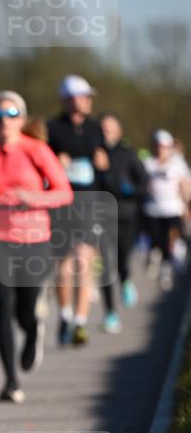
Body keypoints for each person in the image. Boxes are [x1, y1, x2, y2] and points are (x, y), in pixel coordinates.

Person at [0, 92, 73, 402]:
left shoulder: (36, 150)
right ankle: (11, 381)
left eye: (11, 115)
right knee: (2, 308)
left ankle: (33, 331)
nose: (4, 121)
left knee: (24, 310)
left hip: (35, 240)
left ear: (21, 118)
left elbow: (64, 192)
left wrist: (33, 197)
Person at [47, 75, 106, 347]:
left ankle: (81, 323)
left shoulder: (95, 129)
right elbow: (43, 165)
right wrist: (55, 163)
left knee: (85, 259)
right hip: (62, 201)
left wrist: (104, 164)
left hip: (89, 202)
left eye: (88, 97)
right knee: (65, 262)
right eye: (83, 96)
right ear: (68, 100)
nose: (88, 101)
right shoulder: (53, 129)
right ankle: (65, 315)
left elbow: (105, 165)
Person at [96, 112, 149, 328]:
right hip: (100, 215)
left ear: (119, 131)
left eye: (111, 128)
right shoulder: (94, 152)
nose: (107, 132)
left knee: (122, 259)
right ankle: (110, 313)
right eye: (103, 128)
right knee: (105, 266)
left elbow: (143, 184)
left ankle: (125, 279)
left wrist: (129, 190)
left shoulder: (128, 154)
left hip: (125, 215)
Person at [142, 129, 191, 290]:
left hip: (172, 209)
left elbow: (184, 186)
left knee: (171, 241)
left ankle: (166, 269)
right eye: (158, 146)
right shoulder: (148, 163)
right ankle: (155, 255)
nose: (160, 149)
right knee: (156, 239)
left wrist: (186, 206)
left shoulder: (177, 164)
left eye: (163, 146)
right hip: (152, 209)